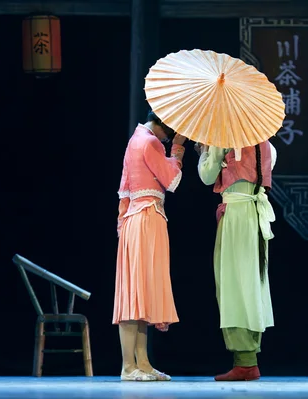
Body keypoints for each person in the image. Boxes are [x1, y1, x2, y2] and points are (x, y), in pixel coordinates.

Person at [113, 111, 187, 382]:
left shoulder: (135, 139)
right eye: (170, 130)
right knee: (136, 294)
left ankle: (142, 362)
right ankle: (128, 367)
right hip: (145, 220)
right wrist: (178, 149)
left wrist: (123, 223)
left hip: (139, 218)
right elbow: (172, 180)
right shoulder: (150, 142)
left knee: (141, 292)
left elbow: (124, 189)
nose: (168, 137)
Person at [197, 141, 277, 382]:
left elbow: (207, 177)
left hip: (237, 217)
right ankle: (247, 359)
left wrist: (208, 152)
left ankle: (245, 361)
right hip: (254, 214)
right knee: (252, 284)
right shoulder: (268, 146)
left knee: (233, 285)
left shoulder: (224, 142)